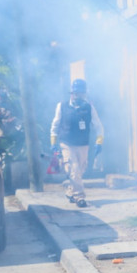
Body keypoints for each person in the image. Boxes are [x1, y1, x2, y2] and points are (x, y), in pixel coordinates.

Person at [50, 79, 104, 208]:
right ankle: (79, 197)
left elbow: (98, 126)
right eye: (77, 93)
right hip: (67, 143)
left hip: (83, 143)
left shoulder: (89, 107)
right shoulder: (62, 106)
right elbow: (55, 125)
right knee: (73, 168)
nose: (79, 96)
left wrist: (99, 141)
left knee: (80, 170)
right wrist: (53, 142)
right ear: (72, 93)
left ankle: (70, 191)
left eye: (82, 93)